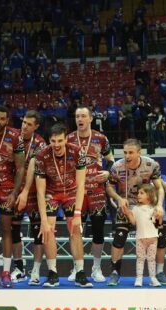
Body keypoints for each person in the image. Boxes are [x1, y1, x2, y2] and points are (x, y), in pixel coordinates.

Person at [106, 139, 166, 287]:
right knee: (118, 238)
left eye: (131, 152)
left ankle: (159, 272)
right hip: (126, 207)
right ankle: (115, 272)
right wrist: (118, 198)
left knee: (160, 238)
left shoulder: (151, 165)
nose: (127, 156)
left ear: (139, 152)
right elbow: (109, 187)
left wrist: (159, 205)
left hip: (148, 208)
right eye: (125, 152)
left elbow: (159, 187)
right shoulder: (117, 166)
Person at [34, 123, 88, 287]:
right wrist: (43, 220)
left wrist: (78, 214)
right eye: (53, 141)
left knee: (75, 228)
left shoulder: (78, 152)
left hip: (72, 191)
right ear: (49, 140)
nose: (56, 145)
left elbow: (81, 185)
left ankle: (80, 271)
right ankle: (52, 272)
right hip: (51, 193)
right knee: (48, 230)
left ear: (66, 139)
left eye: (59, 141)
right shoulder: (41, 155)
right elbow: (40, 191)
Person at [66, 106, 115, 285]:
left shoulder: (101, 138)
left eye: (83, 116)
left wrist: (108, 173)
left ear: (90, 119)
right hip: (74, 192)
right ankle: (77, 268)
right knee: (74, 232)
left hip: (96, 191)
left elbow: (111, 160)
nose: (80, 119)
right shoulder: (68, 139)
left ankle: (96, 268)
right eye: (77, 116)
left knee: (98, 232)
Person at [0, 106, 25, 287]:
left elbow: (20, 168)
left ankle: (7, 272)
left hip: (6, 187)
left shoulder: (15, 137)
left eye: (2, 119)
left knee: (6, 230)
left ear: (7, 120)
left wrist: (14, 192)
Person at [15, 110, 47, 285]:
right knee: (13, 230)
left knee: (37, 233)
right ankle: (19, 268)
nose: (24, 126)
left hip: (33, 192)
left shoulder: (40, 144)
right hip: (13, 189)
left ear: (36, 126)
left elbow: (35, 169)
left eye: (29, 124)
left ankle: (35, 270)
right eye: (23, 122)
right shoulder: (13, 137)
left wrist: (26, 191)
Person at [121, 184, 161, 287]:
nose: (138, 195)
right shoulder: (135, 209)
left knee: (152, 259)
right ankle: (139, 278)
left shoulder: (155, 208)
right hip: (140, 238)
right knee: (140, 258)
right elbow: (134, 222)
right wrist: (128, 213)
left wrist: (159, 216)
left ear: (150, 195)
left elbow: (158, 224)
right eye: (138, 193)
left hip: (153, 238)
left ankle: (153, 278)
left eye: (141, 193)